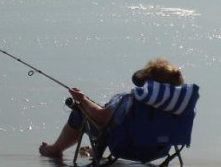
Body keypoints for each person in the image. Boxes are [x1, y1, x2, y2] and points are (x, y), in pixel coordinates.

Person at [39, 57, 185, 158]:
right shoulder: (177, 106)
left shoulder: (130, 100)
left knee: (79, 113)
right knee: (115, 119)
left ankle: (55, 150)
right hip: (158, 150)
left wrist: (82, 100)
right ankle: (93, 151)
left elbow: (101, 117)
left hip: (126, 147)